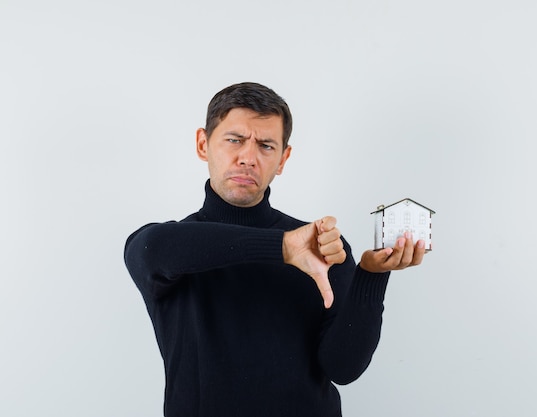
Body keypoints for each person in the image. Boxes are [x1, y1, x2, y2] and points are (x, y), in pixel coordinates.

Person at [124, 82, 426, 417]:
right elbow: (153, 249)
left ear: (283, 159)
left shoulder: (322, 246)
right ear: (202, 144)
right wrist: (283, 246)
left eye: (266, 145)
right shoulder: (171, 248)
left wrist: (370, 277)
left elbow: (343, 368)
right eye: (234, 140)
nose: (248, 158)